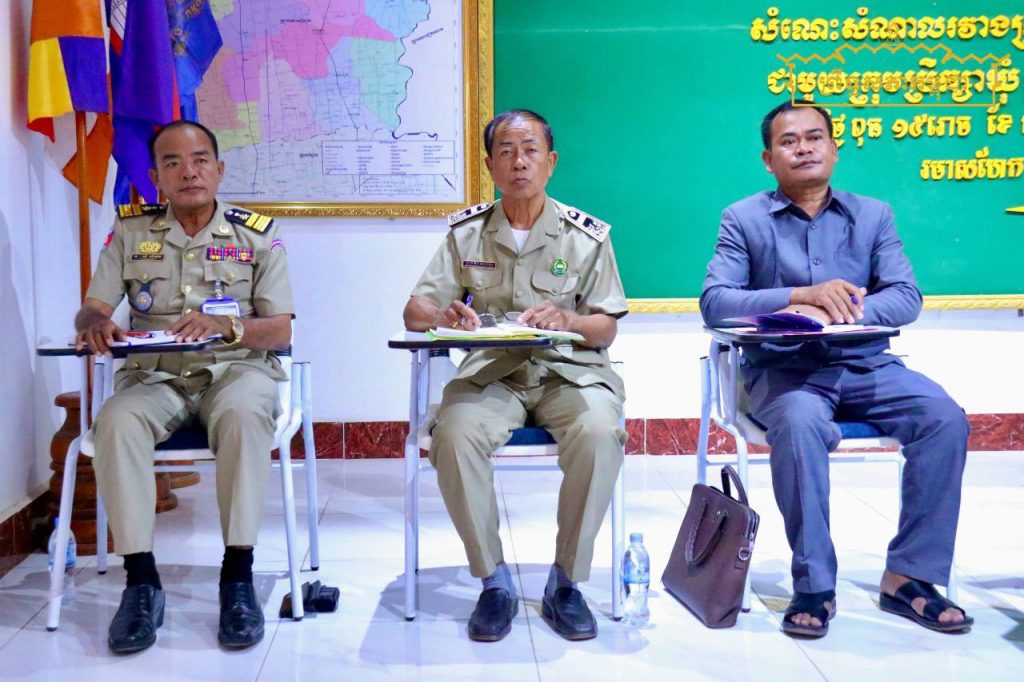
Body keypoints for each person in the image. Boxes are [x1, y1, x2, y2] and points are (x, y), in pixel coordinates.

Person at [700, 100, 973, 638]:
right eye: (789, 141)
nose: (804, 148)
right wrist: (798, 296)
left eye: (814, 137)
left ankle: (909, 576)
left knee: (944, 419)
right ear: (768, 159)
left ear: (833, 149)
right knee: (801, 425)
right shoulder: (743, 218)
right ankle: (814, 585)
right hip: (786, 373)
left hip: (867, 364)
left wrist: (839, 310)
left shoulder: (873, 215)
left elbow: (906, 296)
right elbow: (716, 301)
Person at [403, 109, 628, 642]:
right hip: (493, 374)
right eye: (506, 151)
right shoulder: (467, 233)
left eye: (530, 150)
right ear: (490, 165)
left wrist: (569, 320)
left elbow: (605, 328)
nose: (519, 162)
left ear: (551, 161)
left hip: (568, 372)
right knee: (453, 436)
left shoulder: (586, 236)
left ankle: (566, 583)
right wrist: (444, 316)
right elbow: (414, 312)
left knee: (600, 433)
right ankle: (494, 582)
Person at [74, 120, 294, 653]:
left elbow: (280, 330)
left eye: (199, 160)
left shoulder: (256, 234)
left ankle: (237, 577)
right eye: (172, 163)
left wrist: (226, 326)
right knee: (116, 419)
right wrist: (94, 324)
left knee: (244, 414)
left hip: (236, 371)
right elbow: (92, 308)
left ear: (219, 169)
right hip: (155, 377)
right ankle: (140, 582)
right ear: (155, 177)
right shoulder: (131, 232)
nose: (188, 172)